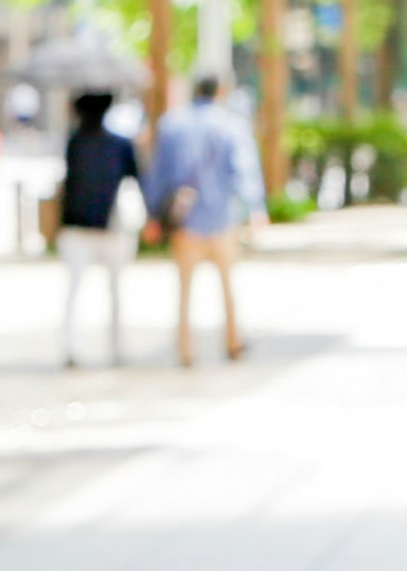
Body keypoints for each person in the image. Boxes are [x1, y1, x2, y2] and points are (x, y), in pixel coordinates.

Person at [147, 73, 261, 366]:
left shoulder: (172, 124)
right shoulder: (232, 125)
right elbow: (244, 170)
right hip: (222, 217)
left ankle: (186, 350)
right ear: (220, 91)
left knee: (184, 291)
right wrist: (256, 209)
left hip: (185, 220)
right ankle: (233, 341)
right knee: (228, 286)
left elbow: (158, 173)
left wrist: (152, 215)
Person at [55, 91, 142, 369]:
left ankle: (71, 348)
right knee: (114, 292)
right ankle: (116, 349)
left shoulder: (75, 142)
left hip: (79, 226)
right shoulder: (119, 144)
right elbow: (137, 179)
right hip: (109, 229)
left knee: (75, 291)